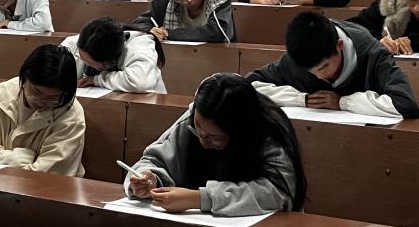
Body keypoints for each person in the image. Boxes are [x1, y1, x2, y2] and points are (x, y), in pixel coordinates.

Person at [124, 73, 306, 216]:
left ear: (239, 133)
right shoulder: (192, 118)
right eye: (198, 128)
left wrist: (200, 199)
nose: (203, 141)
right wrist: (150, 177)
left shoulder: (268, 131)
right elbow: (153, 159)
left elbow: (278, 192)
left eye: (215, 138)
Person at [246, 11, 419, 118]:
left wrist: (343, 103)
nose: (319, 76)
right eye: (311, 71)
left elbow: (405, 104)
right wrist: (302, 99)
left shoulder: (373, 53)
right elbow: (249, 85)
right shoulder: (299, 55)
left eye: (324, 67)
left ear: (339, 46)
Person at [0, 44, 85, 176]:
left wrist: (3, 160)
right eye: (36, 92)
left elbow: (51, 175)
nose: (41, 101)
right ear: (24, 78)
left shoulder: (71, 116)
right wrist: (16, 159)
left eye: (52, 98)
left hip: (46, 188)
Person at [60, 17, 166, 93]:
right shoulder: (77, 43)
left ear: (106, 63)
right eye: (82, 57)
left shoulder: (139, 46)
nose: (83, 61)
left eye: (88, 61)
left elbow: (140, 82)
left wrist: (97, 80)